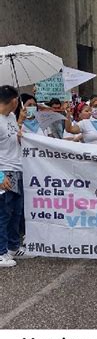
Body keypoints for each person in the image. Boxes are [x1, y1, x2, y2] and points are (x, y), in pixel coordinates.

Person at [0, 86, 29, 267]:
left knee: (16, 212)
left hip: (17, 169)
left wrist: (19, 123)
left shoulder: (10, 117)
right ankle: (1, 251)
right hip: (4, 170)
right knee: (3, 212)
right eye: (17, 100)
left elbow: (12, 139)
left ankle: (12, 246)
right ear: (13, 100)